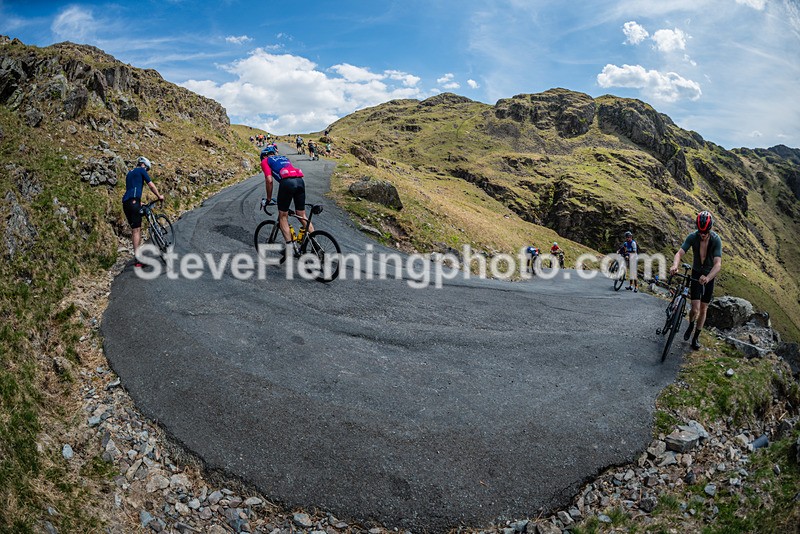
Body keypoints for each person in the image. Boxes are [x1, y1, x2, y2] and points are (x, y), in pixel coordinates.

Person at [669, 210, 722, 350]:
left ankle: (696, 337)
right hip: (697, 273)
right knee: (694, 308)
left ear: (710, 229)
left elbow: (718, 264)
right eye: (700, 232)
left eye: (705, 232)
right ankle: (691, 323)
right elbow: (679, 253)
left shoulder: (716, 240)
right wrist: (675, 265)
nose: (702, 235)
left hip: (709, 276)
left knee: (703, 309)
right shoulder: (693, 237)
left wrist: (708, 278)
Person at [122, 156, 164, 267]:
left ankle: (137, 257)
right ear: (144, 165)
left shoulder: (129, 173)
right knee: (137, 230)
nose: (147, 171)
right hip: (134, 202)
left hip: (126, 203)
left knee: (134, 229)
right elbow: (151, 185)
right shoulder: (141, 170)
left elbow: (131, 189)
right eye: (147, 169)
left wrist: (139, 202)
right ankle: (138, 259)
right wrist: (159, 196)